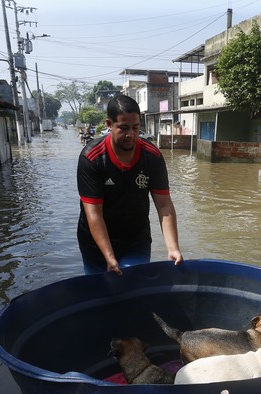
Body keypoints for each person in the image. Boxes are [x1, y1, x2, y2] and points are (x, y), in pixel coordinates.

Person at [76, 95, 183, 274]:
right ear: (109, 125)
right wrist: (109, 257)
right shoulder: (92, 158)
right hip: (95, 242)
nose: (131, 135)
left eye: (135, 128)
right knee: (100, 291)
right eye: (123, 128)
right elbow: (94, 214)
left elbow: (164, 206)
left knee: (133, 287)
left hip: (136, 239)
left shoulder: (152, 157)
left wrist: (173, 248)